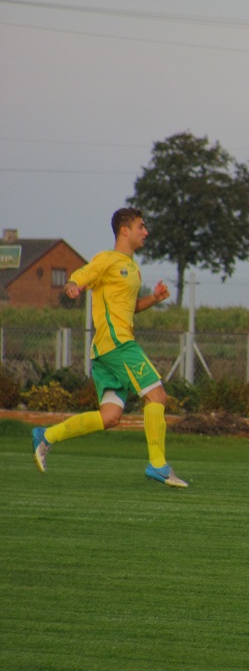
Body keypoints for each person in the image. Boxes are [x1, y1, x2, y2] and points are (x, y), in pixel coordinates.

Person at [31, 207, 188, 488]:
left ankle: (47, 435)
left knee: (111, 417)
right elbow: (82, 274)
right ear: (124, 230)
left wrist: (154, 298)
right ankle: (158, 465)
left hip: (104, 350)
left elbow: (128, 310)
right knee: (157, 396)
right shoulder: (107, 259)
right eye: (141, 226)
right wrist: (72, 285)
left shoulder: (133, 268)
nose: (146, 232)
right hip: (118, 345)